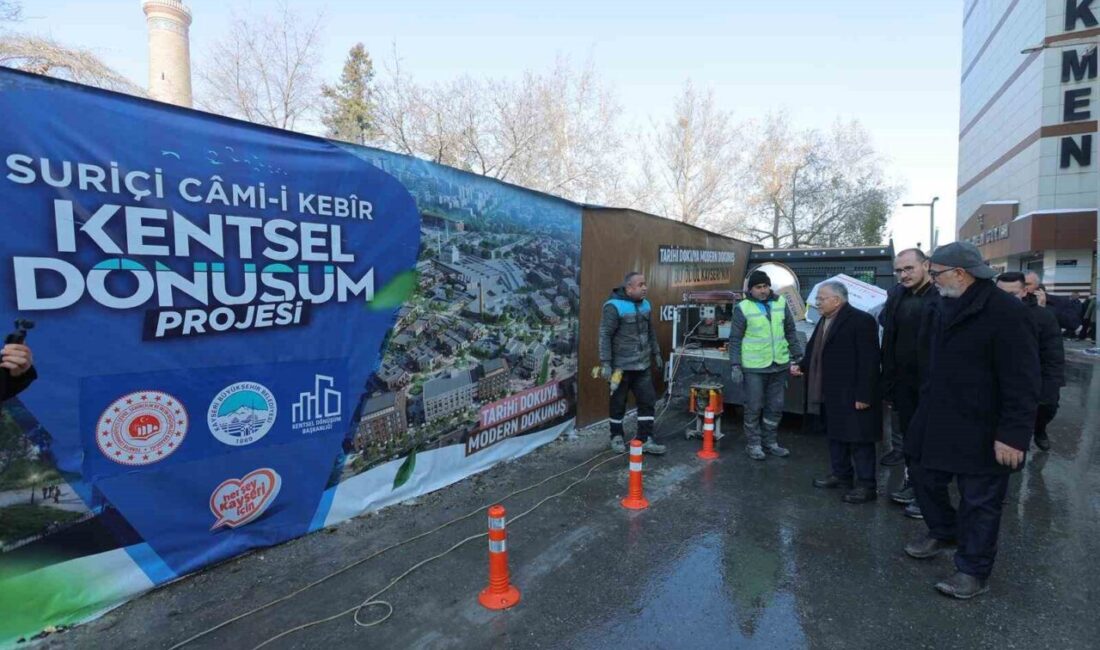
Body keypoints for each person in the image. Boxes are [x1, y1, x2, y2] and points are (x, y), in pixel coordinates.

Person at [904, 242, 1039, 600]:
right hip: (936, 414)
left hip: (984, 425)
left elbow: (1023, 379)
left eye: (936, 274)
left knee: (980, 501)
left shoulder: (1005, 312)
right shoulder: (941, 303)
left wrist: (1013, 435)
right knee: (920, 472)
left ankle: (972, 570)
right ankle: (944, 529)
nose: (931, 280)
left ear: (960, 274)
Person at [799, 281, 882, 504]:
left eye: (821, 299)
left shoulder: (861, 320)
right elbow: (816, 350)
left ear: (837, 300)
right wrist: (803, 365)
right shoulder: (824, 320)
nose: (817, 303)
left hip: (853, 392)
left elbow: (870, 361)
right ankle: (841, 475)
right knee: (835, 436)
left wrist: (864, 395)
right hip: (830, 391)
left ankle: (866, 485)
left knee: (859, 439)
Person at [878, 248, 939, 519]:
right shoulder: (897, 296)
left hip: (932, 384)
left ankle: (927, 497)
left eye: (909, 269)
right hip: (903, 383)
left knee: (929, 441)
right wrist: (888, 382)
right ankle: (914, 484)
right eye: (899, 270)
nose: (903, 275)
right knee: (911, 441)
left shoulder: (941, 297)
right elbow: (889, 338)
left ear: (925, 265)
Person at [728, 270, 804, 460]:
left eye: (765, 286)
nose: (763, 290)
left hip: (779, 365)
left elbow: (790, 332)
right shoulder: (743, 308)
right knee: (753, 406)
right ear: (750, 289)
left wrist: (799, 356)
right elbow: (735, 339)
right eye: (758, 287)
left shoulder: (780, 303)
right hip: (754, 367)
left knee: (775, 407)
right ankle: (753, 444)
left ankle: (770, 442)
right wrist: (735, 365)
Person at [599, 272, 666, 455]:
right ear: (629, 288)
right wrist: (605, 363)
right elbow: (605, 335)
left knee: (647, 401)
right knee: (618, 403)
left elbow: (650, 331)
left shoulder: (646, 304)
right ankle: (616, 437)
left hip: (642, 366)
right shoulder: (613, 307)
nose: (645, 287)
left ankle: (645, 439)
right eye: (640, 284)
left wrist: (657, 352)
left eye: (645, 284)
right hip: (619, 368)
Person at [996, 272, 1064, 452]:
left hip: (1035, 378)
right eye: (1001, 294)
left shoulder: (1043, 317)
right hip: (1002, 381)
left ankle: (1039, 429)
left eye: (1012, 295)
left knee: (1046, 409)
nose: (1006, 300)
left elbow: (1054, 355)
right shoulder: (989, 315)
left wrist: (1050, 388)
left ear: (1024, 291)